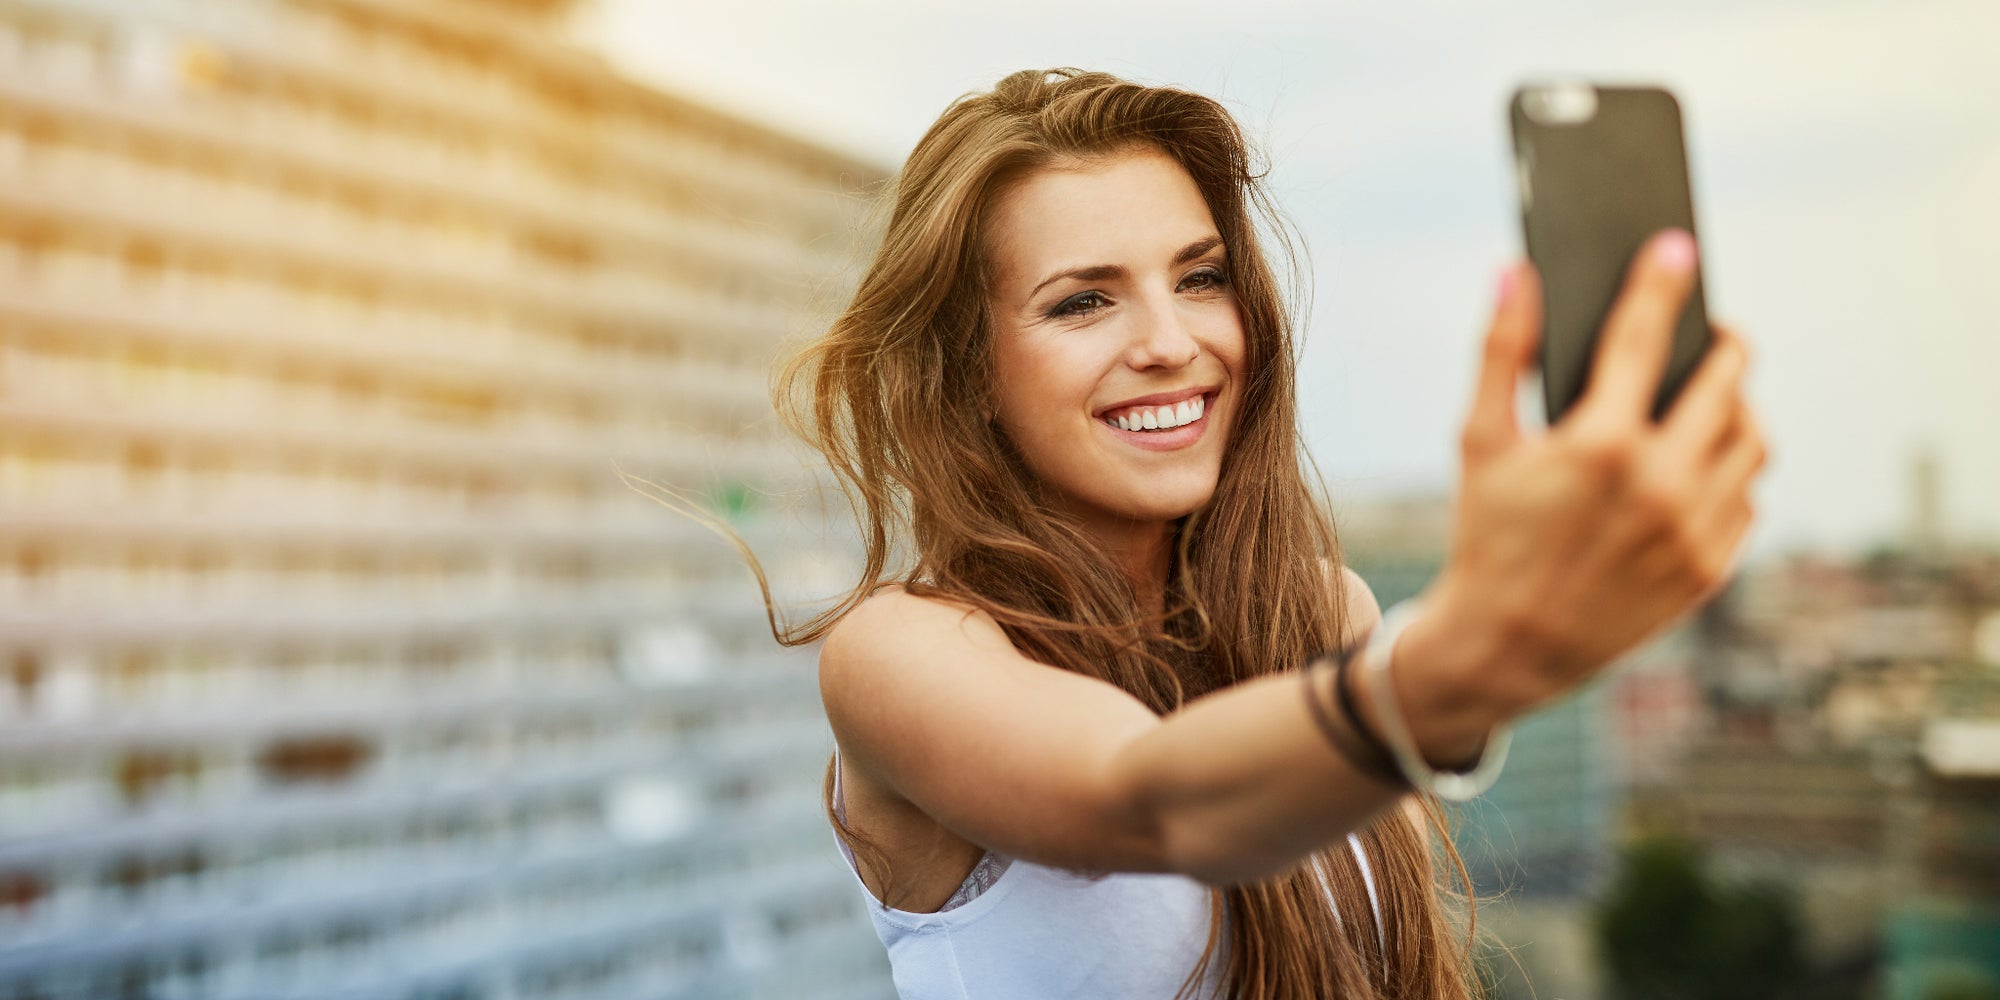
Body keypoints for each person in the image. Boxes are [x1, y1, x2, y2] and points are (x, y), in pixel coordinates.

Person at [758, 68, 1766, 999]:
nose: (1170, 342)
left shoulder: (1325, 611)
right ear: (970, 368)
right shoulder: (899, 653)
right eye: (1082, 301)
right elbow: (1149, 803)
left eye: (1198, 278)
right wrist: (1464, 665)